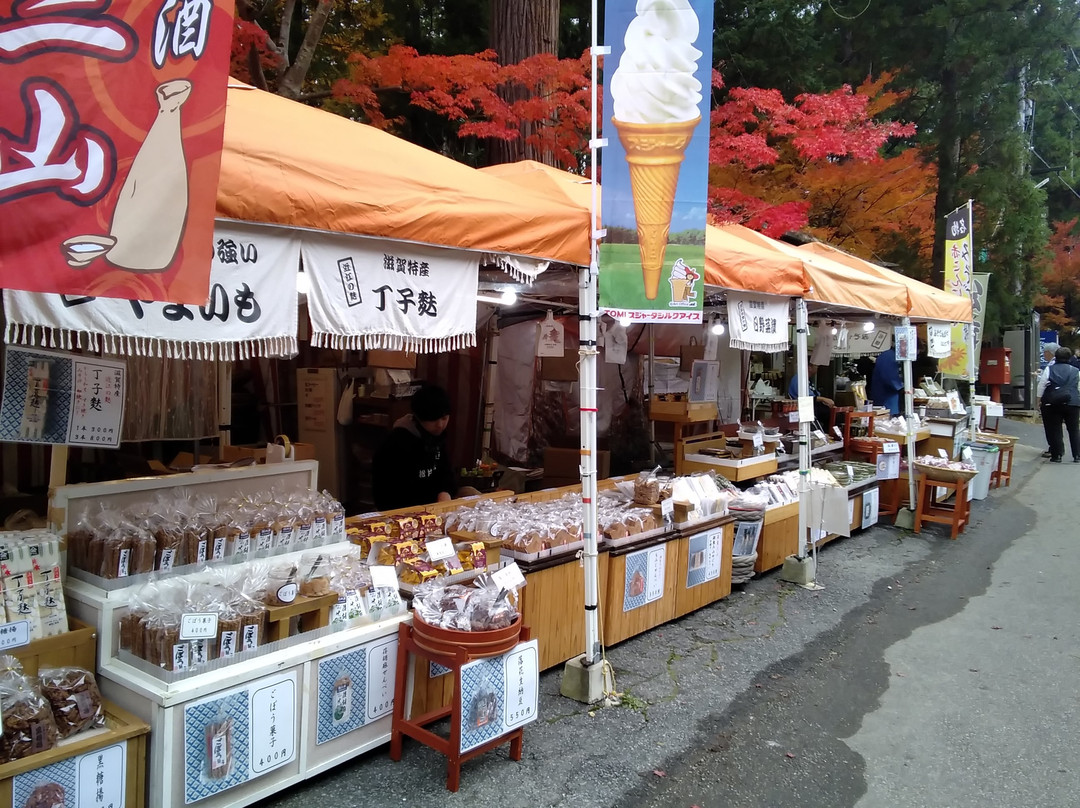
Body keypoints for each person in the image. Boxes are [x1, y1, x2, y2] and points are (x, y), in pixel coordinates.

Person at [372, 384, 462, 510]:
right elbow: (387, 493)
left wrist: (445, 492)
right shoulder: (396, 443)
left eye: (444, 418)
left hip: (435, 505)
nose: (440, 425)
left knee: (470, 492)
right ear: (419, 417)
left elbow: (446, 474)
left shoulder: (437, 437)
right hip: (405, 510)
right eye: (433, 420)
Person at [1038, 346, 1080, 463]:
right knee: (1074, 429)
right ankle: (1077, 455)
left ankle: (1057, 455)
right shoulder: (1076, 371)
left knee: (1055, 429)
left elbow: (1042, 384)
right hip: (1072, 402)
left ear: (1056, 357)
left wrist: (1038, 400)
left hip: (1053, 402)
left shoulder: (1050, 369)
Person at [1037, 344, 1060, 457]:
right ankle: (1057, 449)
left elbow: (1043, 383)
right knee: (1056, 425)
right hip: (1061, 398)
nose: (1043, 354)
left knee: (1051, 425)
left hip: (1050, 398)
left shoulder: (1052, 365)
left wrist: (1038, 399)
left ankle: (1054, 449)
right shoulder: (1062, 364)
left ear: (1050, 353)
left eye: (1044, 352)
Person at [870, 347, 904, 416]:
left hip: (889, 399)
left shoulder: (889, 355)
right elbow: (890, 378)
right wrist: (903, 388)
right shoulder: (889, 356)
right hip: (887, 399)